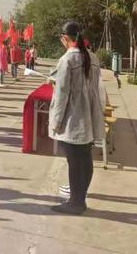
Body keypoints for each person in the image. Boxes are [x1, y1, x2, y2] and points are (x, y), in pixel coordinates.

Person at [49, 21, 105, 215]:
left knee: (74, 162)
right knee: (85, 159)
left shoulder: (67, 60)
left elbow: (62, 94)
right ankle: (80, 199)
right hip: (89, 115)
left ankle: (76, 202)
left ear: (65, 39)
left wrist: (55, 122)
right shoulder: (93, 57)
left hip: (73, 118)